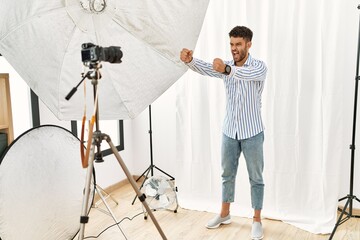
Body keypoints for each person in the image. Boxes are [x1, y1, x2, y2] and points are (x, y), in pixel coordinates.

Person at [179, 26, 267, 240]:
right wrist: (190, 60)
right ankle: (225, 214)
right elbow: (207, 68)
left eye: (238, 44)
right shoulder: (226, 65)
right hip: (229, 131)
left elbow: (244, 74)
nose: (234, 48)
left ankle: (256, 220)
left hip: (252, 131)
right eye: (231, 44)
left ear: (248, 44)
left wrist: (226, 70)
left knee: (256, 177)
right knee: (227, 175)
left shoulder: (259, 67)